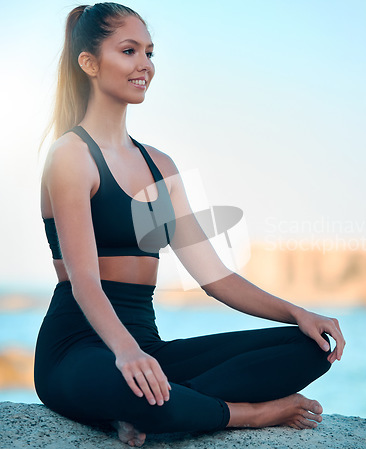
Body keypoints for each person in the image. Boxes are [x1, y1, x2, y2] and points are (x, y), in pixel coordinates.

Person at [34, 3, 346, 447]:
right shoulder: (71, 155)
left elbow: (214, 276)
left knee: (311, 348)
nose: (144, 65)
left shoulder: (160, 167)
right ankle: (250, 414)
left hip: (147, 345)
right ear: (89, 62)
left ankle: (156, 410)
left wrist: (298, 313)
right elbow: (85, 282)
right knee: (139, 389)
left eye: (149, 52)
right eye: (128, 51)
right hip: (77, 348)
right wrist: (126, 353)